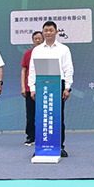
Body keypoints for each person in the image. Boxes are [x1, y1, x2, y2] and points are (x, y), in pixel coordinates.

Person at [27, 21, 73, 157]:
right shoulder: (37, 50)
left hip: (58, 84)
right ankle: (41, 146)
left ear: (56, 32)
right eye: (46, 30)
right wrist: (32, 88)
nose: (48, 33)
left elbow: (68, 68)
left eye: (51, 30)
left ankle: (59, 146)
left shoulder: (64, 49)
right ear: (43, 32)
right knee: (42, 116)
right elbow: (32, 69)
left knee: (58, 116)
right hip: (42, 85)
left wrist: (67, 87)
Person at [21, 31, 44, 146]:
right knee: (31, 114)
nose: (38, 41)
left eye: (40, 38)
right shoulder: (28, 53)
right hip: (31, 87)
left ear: (43, 40)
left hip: (45, 87)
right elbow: (24, 70)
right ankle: (30, 136)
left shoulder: (48, 52)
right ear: (32, 40)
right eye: (35, 39)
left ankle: (43, 136)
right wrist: (23, 86)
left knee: (43, 113)